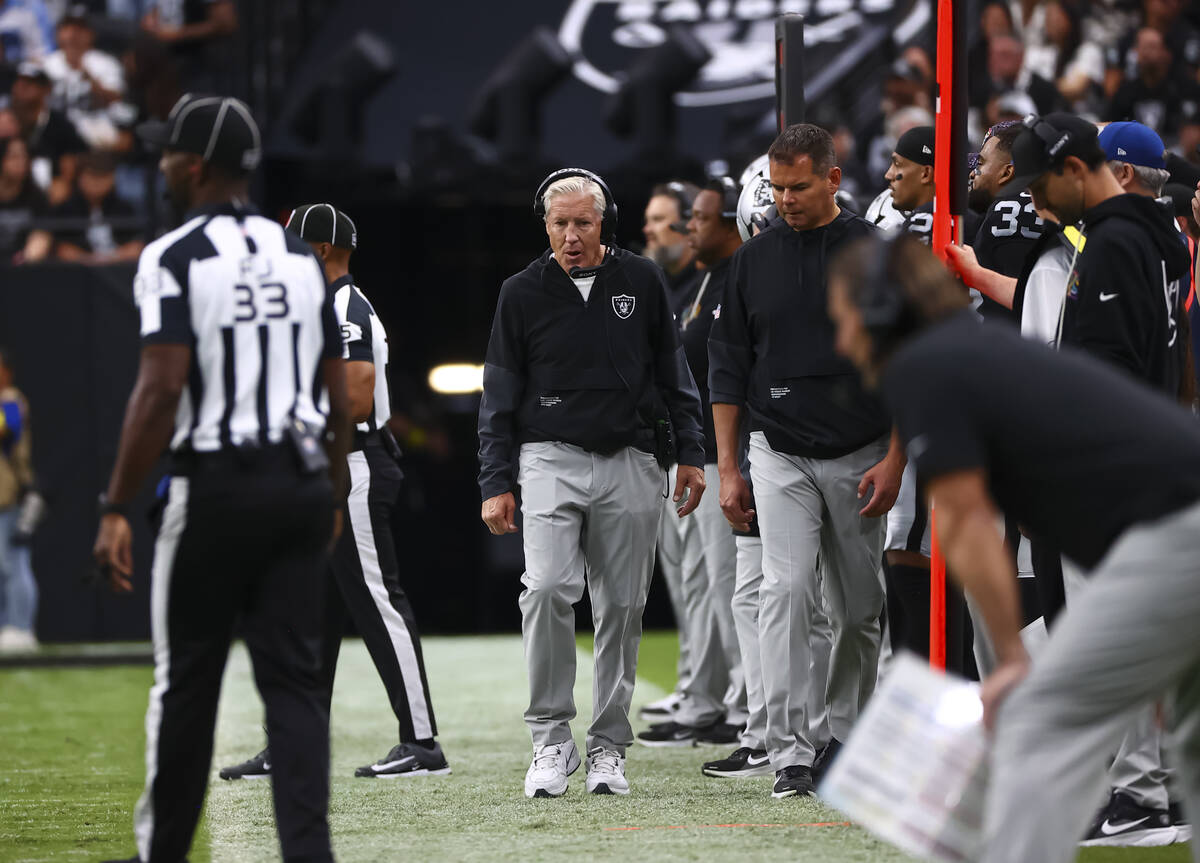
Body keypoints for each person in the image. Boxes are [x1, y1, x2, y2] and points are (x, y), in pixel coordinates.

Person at [826, 231, 1200, 863]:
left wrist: (1008, 662)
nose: (840, 341)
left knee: (1036, 716)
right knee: (1193, 737)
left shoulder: (927, 366)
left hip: (1173, 537)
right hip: (1173, 531)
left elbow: (966, 519)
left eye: (843, 319)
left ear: (882, 312)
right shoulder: (973, 351)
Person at [92, 93, 350, 863]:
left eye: (169, 152)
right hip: (300, 485)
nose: (161, 164)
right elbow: (338, 393)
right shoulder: (299, 256)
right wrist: (334, 492)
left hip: (215, 488)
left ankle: (163, 853)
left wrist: (115, 502)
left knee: (187, 683)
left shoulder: (172, 256)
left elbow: (160, 389)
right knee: (294, 686)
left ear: (196, 165)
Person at [477, 167, 706, 798]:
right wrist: (495, 480)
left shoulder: (643, 279)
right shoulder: (520, 292)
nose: (572, 235)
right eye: (560, 223)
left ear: (604, 223)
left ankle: (608, 747)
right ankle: (550, 739)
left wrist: (691, 452)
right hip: (547, 456)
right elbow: (498, 395)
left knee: (623, 606)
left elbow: (674, 373)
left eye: (583, 222)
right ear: (545, 224)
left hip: (631, 457)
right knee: (547, 587)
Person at [219, 203, 451, 782]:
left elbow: (356, 396)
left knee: (378, 599)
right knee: (306, 611)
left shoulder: (345, 305)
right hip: (324, 467)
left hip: (352, 466)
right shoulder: (315, 306)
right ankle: (291, 743)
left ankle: (423, 743)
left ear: (321, 248)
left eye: (292, 241)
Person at [708, 124, 904, 799]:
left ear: (832, 178)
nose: (785, 199)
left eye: (797, 187)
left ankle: (844, 737)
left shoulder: (876, 253)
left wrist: (897, 458)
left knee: (858, 609)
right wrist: (728, 467)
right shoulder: (752, 259)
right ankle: (789, 750)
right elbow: (727, 366)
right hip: (777, 449)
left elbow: (907, 361)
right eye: (777, 187)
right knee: (784, 592)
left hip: (862, 449)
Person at [637, 177, 746, 748]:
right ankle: (708, 696)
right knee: (698, 584)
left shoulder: (735, 279)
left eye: (689, 218)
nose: (681, 228)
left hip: (720, 454)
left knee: (729, 586)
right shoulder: (694, 285)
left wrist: (725, 459)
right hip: (687, 451)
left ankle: (742, 705)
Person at [638, 176, 702, 724]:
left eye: (661, 219)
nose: (651, 231)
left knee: (707, 583)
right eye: (649, 221)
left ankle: (715, 695)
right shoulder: (659, 289)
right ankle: (694, 685)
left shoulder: (708, 284)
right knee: (682, 581)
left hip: (700, 452)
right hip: (663, 452)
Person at [43, 6, 130, 151]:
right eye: (67, 27)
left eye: (79, 28)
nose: (73, 33)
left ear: (91, 34)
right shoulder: (48, 64)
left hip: (96, 130)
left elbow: (117, 99)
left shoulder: (106, 63)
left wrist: (90, 79)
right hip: (57, 133)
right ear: (58, 34)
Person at [0, 346, 36, 653]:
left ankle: (20, 627)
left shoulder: (10, 399)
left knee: (13, 562)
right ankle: (6, 625)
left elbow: (7, 428)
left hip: (9, 495)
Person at [10, 61, 87, 206]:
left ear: (46, 89)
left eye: (30, 83)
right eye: (19, 81)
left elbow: (70, 159)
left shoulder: (60, 124)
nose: (22, 87)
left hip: (48, 190)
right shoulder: (5, 120)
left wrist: (64, 182)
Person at [50, 149, 143, 263]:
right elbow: (63, 250)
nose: (96, 183)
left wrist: (108, 259)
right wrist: (90, 260)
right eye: (92, 176)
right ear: (79, 177)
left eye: (102, 176)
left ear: (112, 177)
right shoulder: (67, 209)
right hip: (77, 271)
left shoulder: (123, 208)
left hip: (119, 270)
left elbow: (135, 247)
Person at [0, 135, 50, 263]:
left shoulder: (36, 196)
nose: (21, 162)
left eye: (25, 157)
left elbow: (42, 234)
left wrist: (26, 258)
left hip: (22, 264)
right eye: (14, 157)